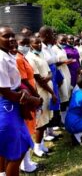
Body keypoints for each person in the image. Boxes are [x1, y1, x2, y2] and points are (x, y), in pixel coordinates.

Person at [0, 27, 42, 176]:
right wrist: (31, 99)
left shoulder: (8, 55)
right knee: (16, 152)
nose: (11, 39)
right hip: (7, 106)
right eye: (6, 36)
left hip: (12, 103)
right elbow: (5, 91)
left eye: (12, 36)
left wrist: (24, 92)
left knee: (9, 147)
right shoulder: (1, 59)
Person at [26, 36, 57, 157]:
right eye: (35, 43)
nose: (39, 45)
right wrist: (52, 92)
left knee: (46, 119)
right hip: (40, 91)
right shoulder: (30, 58)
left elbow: (49, 72)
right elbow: (39, 80)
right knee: (41, 121)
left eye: (39, 43)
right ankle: (37, 147)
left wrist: (49, 77)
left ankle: (41, 145)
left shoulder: (41, 54)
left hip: (47, 89)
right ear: (30, 45)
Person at [15, 34, 41, 172]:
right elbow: (24, 81)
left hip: (30, 94)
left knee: (29, 129)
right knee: (26, 130)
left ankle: (27, 162)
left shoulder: (22, 57)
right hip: (28, 96)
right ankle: (25, 164)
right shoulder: (18, 59)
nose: (24, 46)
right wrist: (35, 95)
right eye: (22, 43)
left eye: (26, 43)